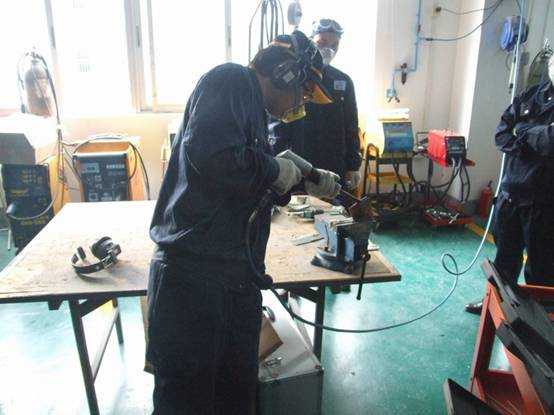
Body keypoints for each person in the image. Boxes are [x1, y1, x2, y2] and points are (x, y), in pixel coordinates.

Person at [146, 30, 340, 414]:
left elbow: (241, 183)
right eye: (302, 93)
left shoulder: (253, 112)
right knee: (185, 403)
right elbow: (212, 155)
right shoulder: (232, 80)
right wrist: (273, 168)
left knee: (236, 398)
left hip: (233, 280)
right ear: (285, 74)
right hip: (194, 282)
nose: (299, 105)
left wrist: (301, 178)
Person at [271, 18, 362, 294]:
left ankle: (333, 270)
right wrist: (276, 161)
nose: (328, 49)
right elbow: (277, 122)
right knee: (294, 221)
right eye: (323, 43)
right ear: (311, 42)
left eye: (334, 45)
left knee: (331, 218)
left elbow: (351, 124)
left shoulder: (342, 81)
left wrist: (353, 164)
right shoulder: (297, 79)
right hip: (298, 161)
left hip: (332, 161)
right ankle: (292, 278)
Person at [465, 53, 554, 314]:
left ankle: (539, 318)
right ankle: (495, 304)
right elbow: (502, 132)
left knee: (541, 266)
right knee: (505, 257)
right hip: (511, 194)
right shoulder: (530, 95)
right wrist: (530, 140)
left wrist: (522, 131)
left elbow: (550, 141)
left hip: (543, 202)